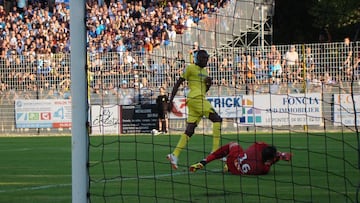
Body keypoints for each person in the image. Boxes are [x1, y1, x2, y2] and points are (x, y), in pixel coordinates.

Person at [167, 49, 223, 170]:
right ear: (197, 59)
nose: (205, 60)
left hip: (198, 99)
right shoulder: (190, 68)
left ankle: (174, 155)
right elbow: (178, 83)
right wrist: (170, 100)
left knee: (190, 130)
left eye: (206, 58)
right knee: (217, 119)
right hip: (195, 98)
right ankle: (215, 151)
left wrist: (208, 85)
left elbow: (204, 90)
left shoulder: (205, 71)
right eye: (203, 58)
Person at [189, 141, 292, 175]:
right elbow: (270, 162)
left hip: (233, 159)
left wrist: (279, 155)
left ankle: (204, 161)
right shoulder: (262, 168)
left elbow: (263, 145)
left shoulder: (257, 148)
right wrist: (281, 156)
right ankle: (227, 167)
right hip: (235, 171)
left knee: (233, 144)